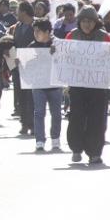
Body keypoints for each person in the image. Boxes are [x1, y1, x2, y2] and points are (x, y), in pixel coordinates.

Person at [64, 6, 110, 164]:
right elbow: (64, 57)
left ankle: (94, 152)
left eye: (90, 21)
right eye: (84, 21)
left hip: (98, 86)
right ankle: (76, 148)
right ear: (79, 22)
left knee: (97, 118)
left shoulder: (105, 38)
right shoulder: (71, 36)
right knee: (77, 117)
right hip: (77, 84)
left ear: (96, 22)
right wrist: (56, 52)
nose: (87, 24)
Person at [27, 18, 63, 152]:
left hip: (55, 85)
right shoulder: (31, 46)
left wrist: (57, 53)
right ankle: (40, 140)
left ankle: (55, 139)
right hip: (38, 85)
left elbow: (65, 62)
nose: (35, 34)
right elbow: (28, 66)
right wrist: (21, 61)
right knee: (39, 113)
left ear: (47, 32)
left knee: (56, 113)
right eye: (34, 31)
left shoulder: (58, 44)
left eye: (38, 31)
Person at [10, 2, 35, 136]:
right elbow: (15, 43)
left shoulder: (36, 25)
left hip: (33, 66)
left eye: (18, 11)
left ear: (24, 12)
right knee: (21, 96)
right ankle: (24, 123)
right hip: (19, 67)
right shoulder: (17, 27)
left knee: (32, 96)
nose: (16, 13)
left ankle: (33, 124)